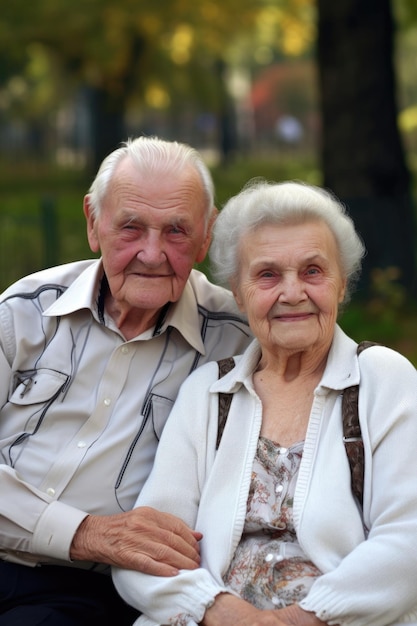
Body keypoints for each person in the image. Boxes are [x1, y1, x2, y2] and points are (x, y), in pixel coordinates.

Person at [113, 180, 417, 626]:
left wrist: (296, 620)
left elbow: (407, 542)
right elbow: (146, 550)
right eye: (268, 275)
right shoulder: (207, 393)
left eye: (313, 271)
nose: (292, 293)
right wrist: (221, 612)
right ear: (238, 292)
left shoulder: (383, 379)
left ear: (341, 285)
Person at [0, 136, 252, 625]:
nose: (153, 254)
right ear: (93, 223)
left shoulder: (239, 340)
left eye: (177, 231)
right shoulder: (24, 312)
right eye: (131, 227)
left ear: (207, 235)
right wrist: (85, 531)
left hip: (81, 591)